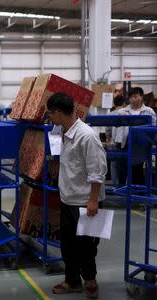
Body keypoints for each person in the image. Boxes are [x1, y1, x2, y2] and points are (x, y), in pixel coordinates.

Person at [46, 93, 107, 299]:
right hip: (68, 198)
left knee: (87, 248)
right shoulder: (62, 131)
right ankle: (72, 281)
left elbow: (97, 171)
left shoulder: (87, 136)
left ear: (59, 113)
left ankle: (91, 281)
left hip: (86, 201)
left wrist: (92, 200)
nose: (50, 119)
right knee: (68, 244)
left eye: (51, 114)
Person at [116, 87, 156, 184]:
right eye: (131, 97)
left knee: (137, 168)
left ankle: (138, 192)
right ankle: (122, 190)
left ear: (141, 97)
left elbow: (154, 126)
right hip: (125, 143)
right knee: (123, 168)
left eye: (135, 96)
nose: (133, 99)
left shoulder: (149, 111)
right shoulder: (123, 111)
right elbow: (117, 127)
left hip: (141, 144)